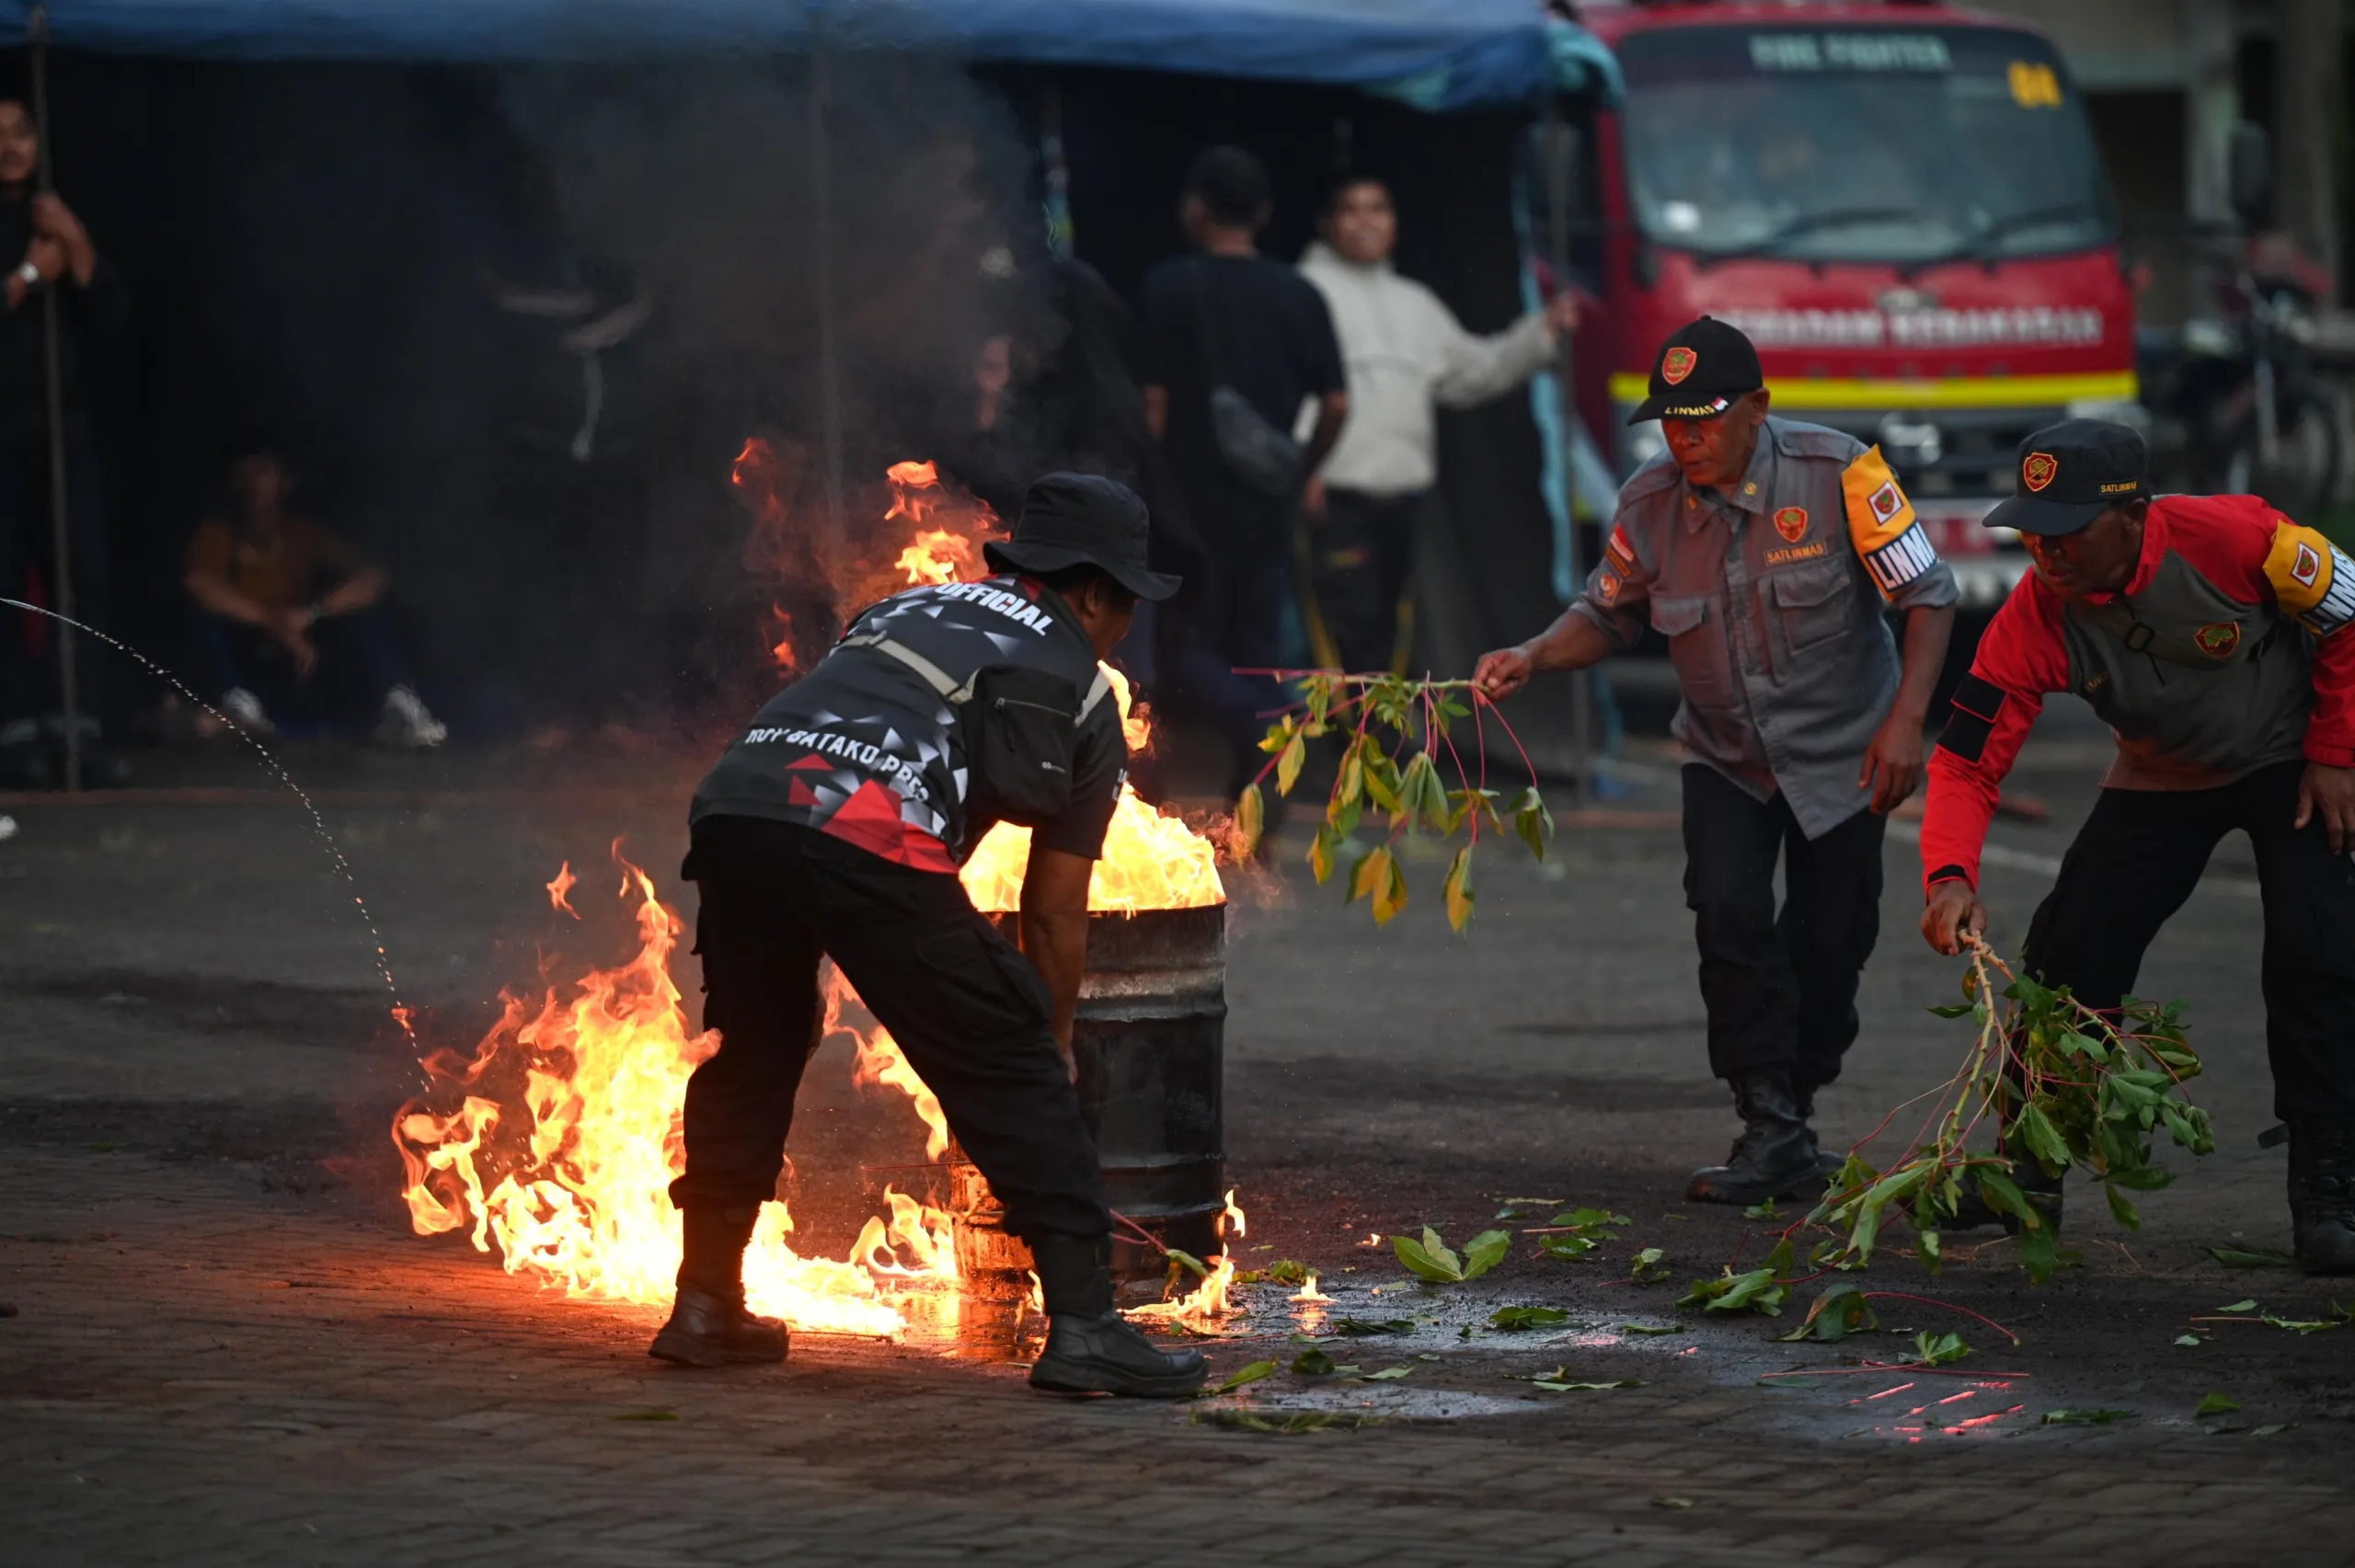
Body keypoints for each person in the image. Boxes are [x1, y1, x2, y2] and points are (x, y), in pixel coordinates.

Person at [659, 472, 1209, 1398]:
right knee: (1014, 1054)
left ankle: (706, 1303)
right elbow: (1051, 909)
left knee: (755, 1051)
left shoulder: (899, 610)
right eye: (1125, 603)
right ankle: (1086, 1327)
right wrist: (1047, 1047)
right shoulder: (1083, 691)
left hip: (738, 808)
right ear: (1090, 593)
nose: (1124, 627)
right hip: (862, 832)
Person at [1475, 317, 1958, 1204]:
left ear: (1757, 407)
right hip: (1724, 753)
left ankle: (1794, 1106)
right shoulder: (1647, 501)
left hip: (1846, 751)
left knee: (1834, 936)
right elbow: (1607, 611)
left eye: (1703, 417)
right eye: (1671, 420)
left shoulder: (1843, 472)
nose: (1685, 437)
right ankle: (1766, 1117)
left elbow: (1928, 594)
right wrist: (1534, 655)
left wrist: (1906, 724)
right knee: (1728, 913)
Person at [1919, 419, 2355, 1274]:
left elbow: (2350, 613)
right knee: (2069, 954)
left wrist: (2338, 752)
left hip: (2292, 759)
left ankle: (2331, 1189)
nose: (2047, 551)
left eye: (2069, 529)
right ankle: (2028, 1169)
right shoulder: (2034, 615)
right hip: (2161, 772)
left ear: (2135, 516)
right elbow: (1966, 760)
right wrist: (1949, 874)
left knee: (2319, 958)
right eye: (2033, 531)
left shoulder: (2241, 537)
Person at [1297, 175, 1579, 674]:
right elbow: (1290, 387)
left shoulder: (1414, 303)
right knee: (1342, 637)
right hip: (1334, 500)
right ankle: (1349, 727)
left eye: (1378, 208)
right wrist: (1303, 467)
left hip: (1401, 502)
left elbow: (1475, 371)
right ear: (1327, 224)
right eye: (1352, 209)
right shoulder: (1305, 291)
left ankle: (1375, 726)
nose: (1367, 221)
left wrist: (1540, 333)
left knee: (1388, 633)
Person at [1132, 145, 1347, 794]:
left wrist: (1144, 492)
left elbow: (1153, 406)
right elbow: (1337, 403)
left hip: (1185, 509)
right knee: (1258, 653)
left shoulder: (1169, 287)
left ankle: (1254, 726)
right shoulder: (1300, 294)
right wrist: (1301, 470)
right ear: (1264, 213)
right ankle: (1257, 793)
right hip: (1267, 507)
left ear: (1195, 208)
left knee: (1175, 648)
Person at [0, 92, 130, 788]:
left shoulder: (55, 216)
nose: (11, 146)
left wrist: (73, 244)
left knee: (81, 581)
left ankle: (79, 728)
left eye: (21, 131)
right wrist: (27, 276)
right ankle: (15, 733)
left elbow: (112, 317)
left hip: (62, 428)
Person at [182, 443, 446, 747]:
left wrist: (311, 614)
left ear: (285, 482)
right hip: (249, 648)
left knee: (364, 617)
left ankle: (400, 707)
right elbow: (198, 584)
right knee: (204, 623)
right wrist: (271, 621)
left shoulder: (304, 534)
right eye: (244, 472)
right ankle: (239, 710)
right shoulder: (218, 535)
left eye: (262, 471)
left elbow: (373, 578)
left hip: (299, 653)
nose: (251, 482)